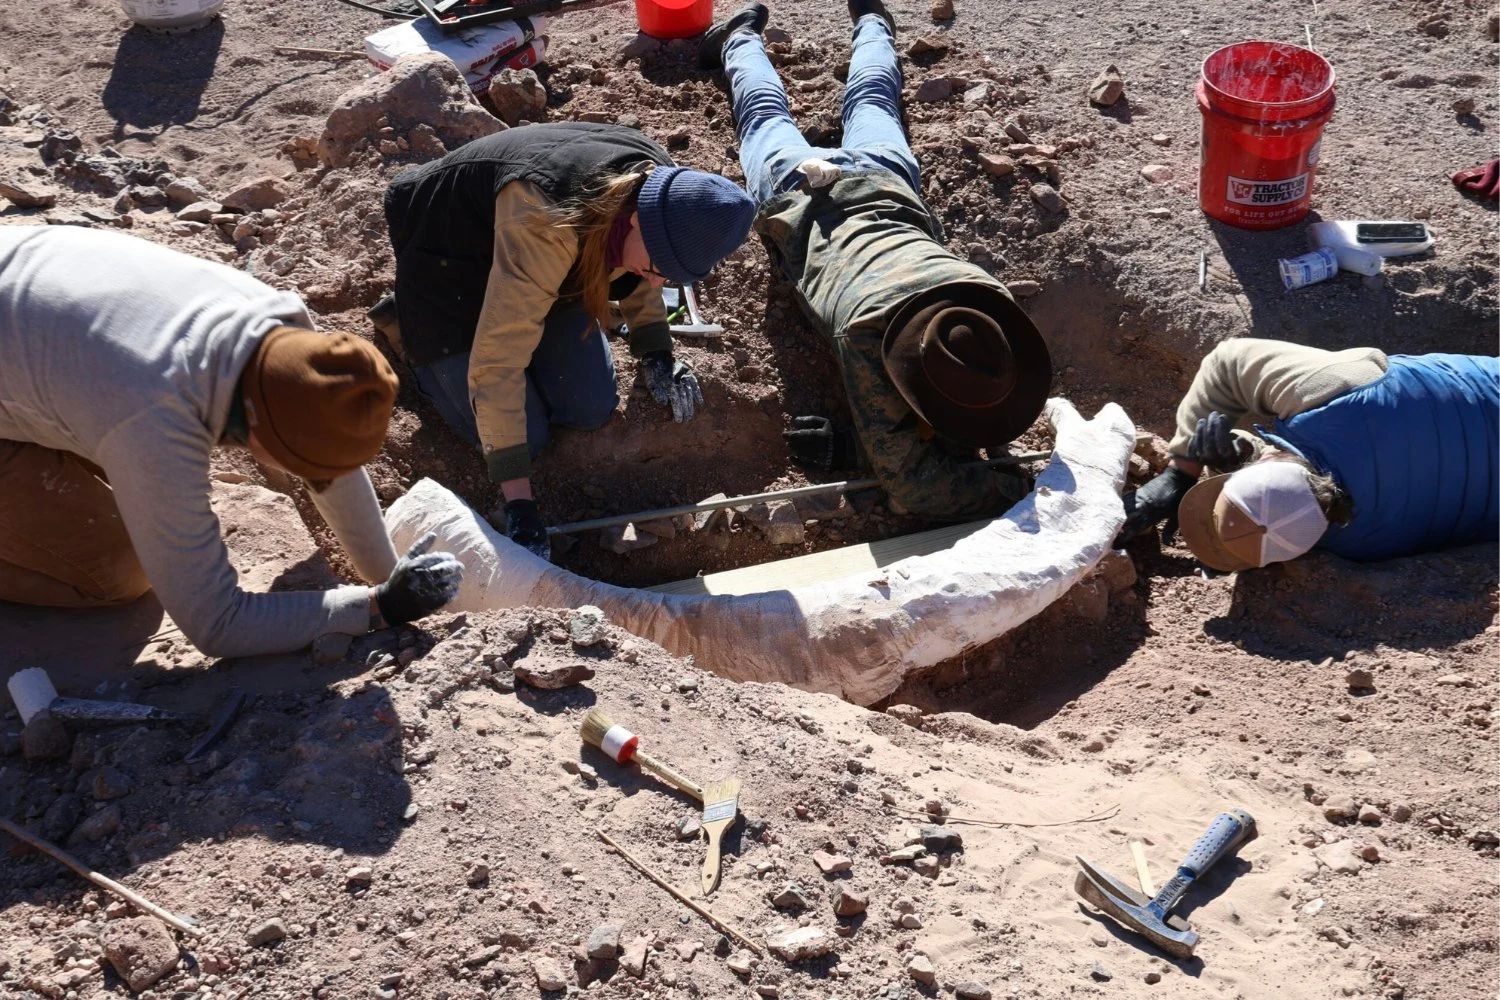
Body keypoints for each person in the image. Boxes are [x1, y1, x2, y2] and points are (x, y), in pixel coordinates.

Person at [0, 227, 463, 658]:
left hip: (33, 304)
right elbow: (217, 623)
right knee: (116, 572)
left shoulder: (278, 326)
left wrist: (387, 574)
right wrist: (379, 607)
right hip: (77, 360)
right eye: (303, 465)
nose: (318, 477)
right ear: (255, 430)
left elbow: (327, 451)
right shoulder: (156, 415)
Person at [699, 1, 1052, 521]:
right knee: (763, 115)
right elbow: (914, 488)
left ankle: (868, 24)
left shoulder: (986, 300)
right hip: (799, 195)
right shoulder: (866, 336)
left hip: (884, 181)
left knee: (872, 99)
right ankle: (740, 39)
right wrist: (1020, 490)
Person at [376, 122, 758, 559]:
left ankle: (526, 317)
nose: (658, 281)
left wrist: (655, 349)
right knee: (527, 441)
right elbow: (498, 361)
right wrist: (520, 506)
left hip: (539, 263)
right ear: (637, 217)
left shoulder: (664, 190)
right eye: (658, 268)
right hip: (448, 264)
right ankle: (408, 327)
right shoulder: (546, 216)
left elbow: (647, 266)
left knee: (589, 406)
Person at [1119, 339, 1498, 571]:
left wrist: (1196, 467)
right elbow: (1228, 360)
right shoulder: (1337, 394)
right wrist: (1184, 469)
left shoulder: (1363, 545)